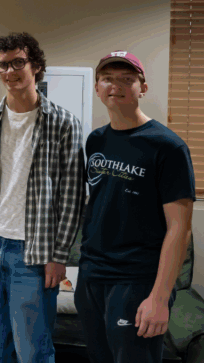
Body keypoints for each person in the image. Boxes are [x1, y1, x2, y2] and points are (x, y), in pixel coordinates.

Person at [0, 33, 85, 363]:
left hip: (33, 254)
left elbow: (72, 197)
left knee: (32, 348)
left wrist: (58, 255)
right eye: (3, 65)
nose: (10, 71)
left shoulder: (63, 123)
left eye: (19, 62)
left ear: (35, 66)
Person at [75, 52, 195, 363]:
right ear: (98, 88)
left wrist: (158, 297)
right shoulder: (96, 141)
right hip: (92, 275)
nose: (115, 86)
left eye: (127, 80)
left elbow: (180, 228)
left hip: (136, 279)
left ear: (142, 87)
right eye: (107, 79)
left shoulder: (167, 146)